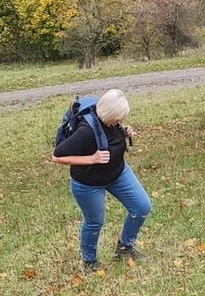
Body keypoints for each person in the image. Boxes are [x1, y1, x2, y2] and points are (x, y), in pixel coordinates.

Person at [49, 89, 149, 271]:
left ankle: (125, 248)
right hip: (89, 183)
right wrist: (91, 159)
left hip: (118, 173)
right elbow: (56, 156)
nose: (120, 122)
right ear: (107, 114)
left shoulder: (111, 123)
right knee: (95, 221)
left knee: (142, 207)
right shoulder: (86, 132)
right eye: (118, 119)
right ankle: (89, 262)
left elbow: (109, 136)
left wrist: (124, 133)